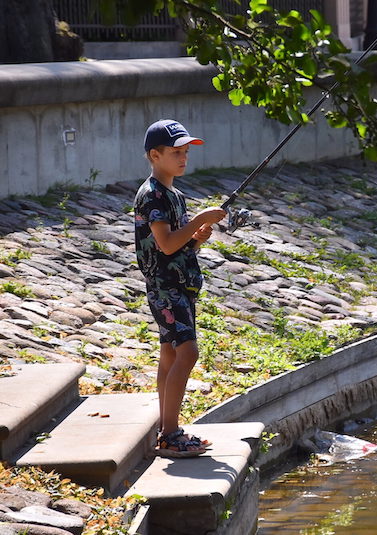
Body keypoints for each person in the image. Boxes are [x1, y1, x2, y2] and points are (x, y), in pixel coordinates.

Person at [134, 119, 226, 457]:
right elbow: (167, 244)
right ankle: (170, 434)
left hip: (179, 287)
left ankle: (166, 428)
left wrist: (196, 238)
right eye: (176, 152)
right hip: (165, 288)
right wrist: (200, 219)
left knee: (170, 354)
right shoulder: (152, 195)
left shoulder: (173, 194)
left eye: (186, 152)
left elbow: (179, 245)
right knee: (188, 352)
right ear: (155, 155)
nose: (184, 158)